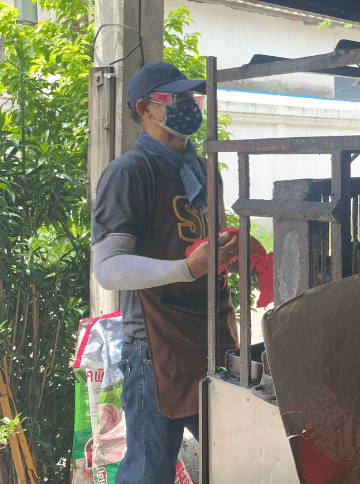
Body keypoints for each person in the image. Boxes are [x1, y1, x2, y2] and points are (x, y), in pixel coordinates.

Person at [92, 61, 240, 483]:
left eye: (191, 98)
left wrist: (236, 249)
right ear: (145, 108)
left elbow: (208, 245)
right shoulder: (129, 173)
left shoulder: (201, 170)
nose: (189, 106)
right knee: (148, 470)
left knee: (233, 459)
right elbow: (109, 268)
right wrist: (185, 268)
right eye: (175, 99)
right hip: (156, 347)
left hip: (212, 336)